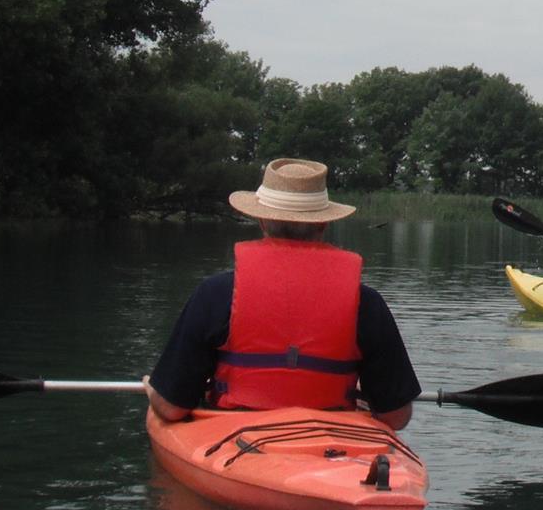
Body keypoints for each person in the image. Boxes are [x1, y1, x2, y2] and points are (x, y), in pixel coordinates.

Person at [144, 158, 422, 430]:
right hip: (334, 449)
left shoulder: (215, 294)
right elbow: (396, 417)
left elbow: (171, 408)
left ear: (262, 220)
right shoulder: (366, 303)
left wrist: (152, 389)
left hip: (236, 438)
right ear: (323, 223)